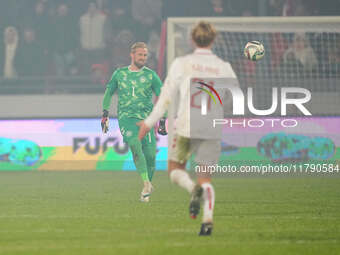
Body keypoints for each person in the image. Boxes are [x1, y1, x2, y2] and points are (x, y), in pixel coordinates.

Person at [137, 21, 238, 236]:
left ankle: (193, 189)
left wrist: (148, 122)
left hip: (186, 127)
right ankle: (208, 220)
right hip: (211, 128)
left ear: (192, 40)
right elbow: (235, 100)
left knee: (175, 170)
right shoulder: (224, 66)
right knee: (205, 177)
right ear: (214, 39)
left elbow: (165, 98)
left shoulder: (182, 63)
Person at [101, 42, 167, 202]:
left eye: (145, 55)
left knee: (151, 156)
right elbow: (109, 92)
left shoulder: (152, 76)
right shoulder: (119, 74)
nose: (143, 58)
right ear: (132, 55)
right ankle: (146, 183)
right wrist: (105, 114)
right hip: (127, 119)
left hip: (147, 120)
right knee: (135, 146)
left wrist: (163, 120)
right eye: (140, 55)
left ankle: (147, 190)